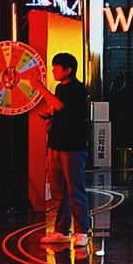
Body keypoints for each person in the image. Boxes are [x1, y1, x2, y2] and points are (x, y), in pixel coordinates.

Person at [39, 53, 90, 249]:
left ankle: (81, 231)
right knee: (58, 190)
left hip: (73, 145)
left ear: (68, 69)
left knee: (75, 189)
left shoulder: (77, 88)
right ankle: (61, 230)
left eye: (56, 67)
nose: (53, 70)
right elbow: (60, 109)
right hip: (56, 144)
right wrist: (50, 114)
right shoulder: (60, 88)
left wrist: (40, 88)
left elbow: (61, 105)